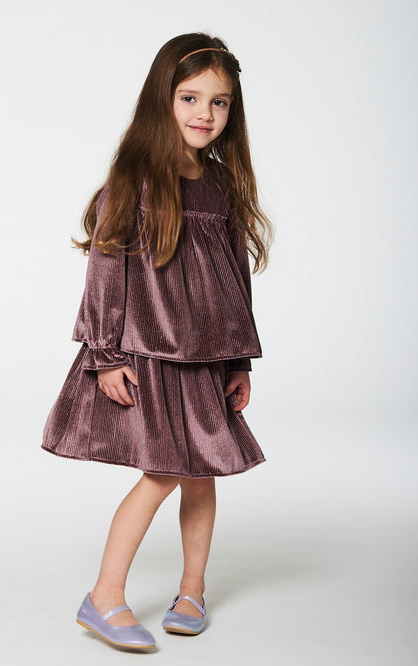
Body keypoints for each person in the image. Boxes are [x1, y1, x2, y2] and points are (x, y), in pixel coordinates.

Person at [41, 32, 273, 651]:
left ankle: (192, 588)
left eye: (219, 102)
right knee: (164, 471)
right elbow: (105, 272)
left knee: (201, 473)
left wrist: (239, 359)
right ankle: (104, 596)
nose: (205, 114)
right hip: (152, 355)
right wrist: (104, 355)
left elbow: (233, 280)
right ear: (161, 99)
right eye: (190, 97)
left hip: (206, 358)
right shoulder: (136, 180)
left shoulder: (221, 185)